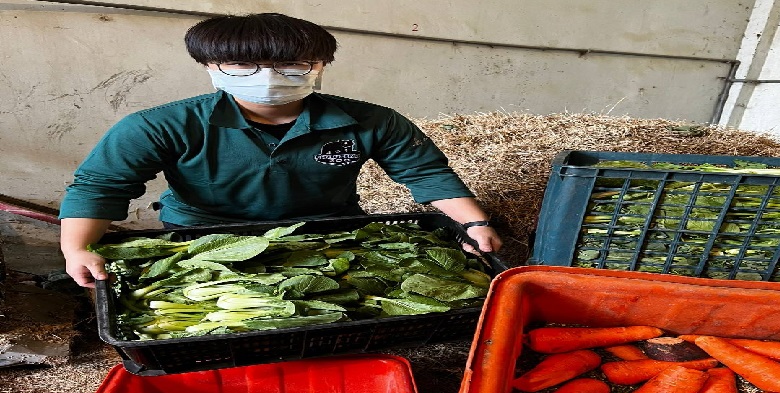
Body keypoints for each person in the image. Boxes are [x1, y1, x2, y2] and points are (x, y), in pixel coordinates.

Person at [59, 13, 502, 288]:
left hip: (329, 233)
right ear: (210, 67)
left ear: (321, 66)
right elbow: (102, 186)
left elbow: (425, 173)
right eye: (240, 64)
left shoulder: (372, 121)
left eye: (292, 64)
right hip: (202, 236)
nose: (266, 76)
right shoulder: (160, 125)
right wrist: (76, 249)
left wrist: (475, 222)